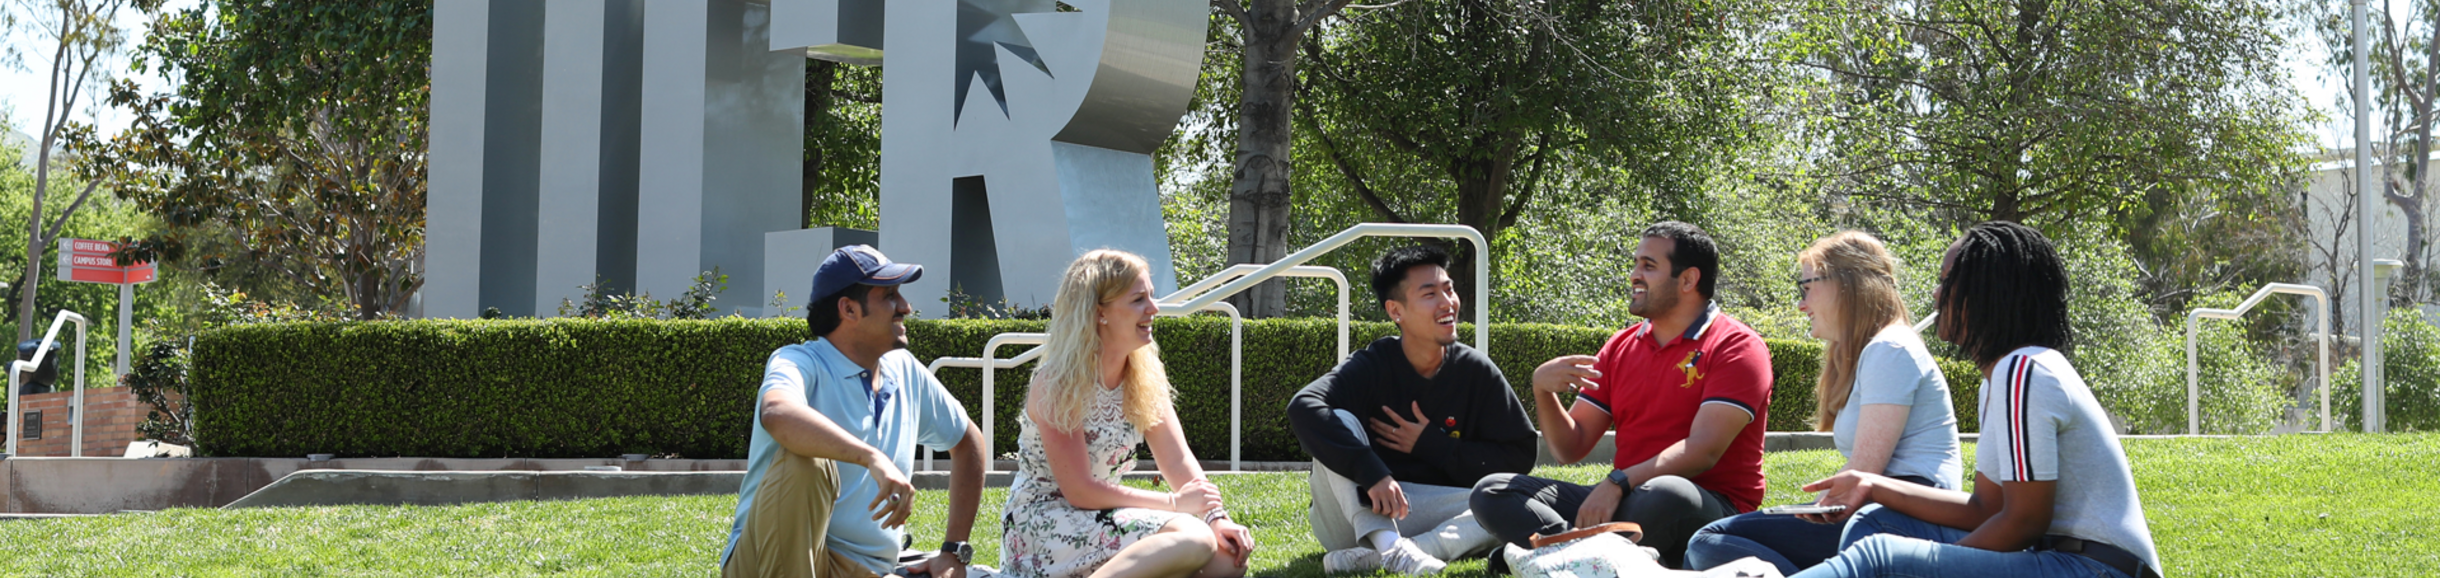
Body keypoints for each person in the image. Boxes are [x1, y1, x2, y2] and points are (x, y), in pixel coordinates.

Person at [1792, 222, 2162, 578]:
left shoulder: (2024, 371)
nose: (1935, 294)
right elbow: (1986, 507)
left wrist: (1935, 564)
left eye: (1946, 282)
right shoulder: (2000, 381)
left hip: (2099, 568)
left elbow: (2025, 521)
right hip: (2064, 560)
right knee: (1877, 529)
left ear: (1987, 291)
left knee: (1882, 559)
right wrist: (1873, 485)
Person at [1471, 221, 1774, 569]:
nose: (1634, 275)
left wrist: (1617, 482)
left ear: (1689, 280)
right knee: (1493, 490)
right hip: (1629, 497)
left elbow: (1702, 450)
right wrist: (1542, 389)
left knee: (1667, 492)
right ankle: (1581, 558)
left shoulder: (1737, 346)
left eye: (1648, 266)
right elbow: (1571, 447)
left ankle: (1556, 554)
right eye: (1635, 264)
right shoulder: (1621, 346)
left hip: (1706, 507)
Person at [1683, 231, 1962, 574]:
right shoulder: (1876, 351)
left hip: (1907, 518)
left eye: (1807, 288)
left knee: (1709, 542)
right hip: (1883, 512)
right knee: (1713, 544)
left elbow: (1864, 472)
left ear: (1845, 285)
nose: (1802, 304)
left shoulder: (1890, 349)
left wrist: (1810, 508)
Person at [722, 245, 990, 578]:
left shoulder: (904, 369)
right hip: (764, 563)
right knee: (805, 461)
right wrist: (870, 457)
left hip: (866, 570)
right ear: (848, 309)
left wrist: (953, 550)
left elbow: (968, 441)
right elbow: (777, 412)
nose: (906, 307)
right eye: (890, 296)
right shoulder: (799, 362)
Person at [999, 249, 1255, 578]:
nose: (1154, 308)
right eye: (1138, 300)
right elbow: (1079, 490)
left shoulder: (1143, 375)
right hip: (1045, 519)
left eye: (1151, 296)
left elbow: (1178, 462)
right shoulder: (1057, 382)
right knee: (1192, 538)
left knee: (1225, 558)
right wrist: (1176, 506)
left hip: (1102, 515)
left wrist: (1216, 518)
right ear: (1098, 312)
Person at [1287, 245, 1538, 575]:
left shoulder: (1475, 371)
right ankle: (1387, 543)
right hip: (1351, 514)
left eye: (1449, 289)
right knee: (1340, 419)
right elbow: (1304, 406)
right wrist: (1372, 472)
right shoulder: (1372, 365)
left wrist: (1432, 445)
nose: (1448, 303)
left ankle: (1395, 554)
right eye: (1430, 294)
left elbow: (1519, 455)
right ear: (1396, 310)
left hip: (1422, 513)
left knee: (1523, 506)